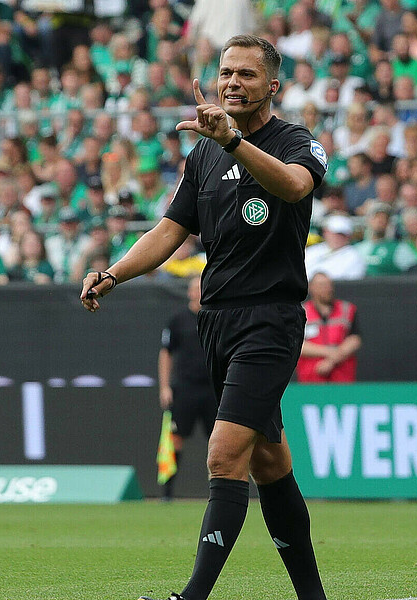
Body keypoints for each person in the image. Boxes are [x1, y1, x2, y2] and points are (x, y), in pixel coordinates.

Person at [79, 36, 328, 600]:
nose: (232, 82)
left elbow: (292, 187)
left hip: (270, 321)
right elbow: (169, 231)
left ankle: (190, 598)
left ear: (274, 85)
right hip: (216, 323)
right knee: (267, 462)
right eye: (225, 72)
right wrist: (113, 274)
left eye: (246, 73)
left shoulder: (296, 142)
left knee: (222, 454)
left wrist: (235, 141)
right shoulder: (204, 154)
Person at [158, 276, 218, 501]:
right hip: (184, 388)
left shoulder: (216, 317)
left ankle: (218, 489)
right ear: (189, 293)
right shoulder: (178, 320)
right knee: (175, 438)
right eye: (195, 289)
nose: (199, 293)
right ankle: (167, 492)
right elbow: (165, 353)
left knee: (218, 439)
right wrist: (165, 386)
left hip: (212, 387)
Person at [296, 272, 362, 383]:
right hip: (310, 379)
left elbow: (354, 340)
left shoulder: (347, 309)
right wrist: (328, 352)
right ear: (312, 288)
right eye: (322, 285)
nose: (327, 289)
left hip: (342, 378)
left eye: (329, 285)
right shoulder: (301, 312)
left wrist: (332, 360)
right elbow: (298, 344)